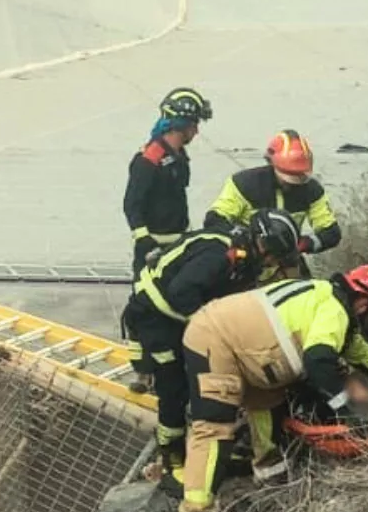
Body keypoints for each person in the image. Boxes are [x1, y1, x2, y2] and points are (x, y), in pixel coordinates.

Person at [173, 265, 368, 512]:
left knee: (267, 404)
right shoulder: (335, 310)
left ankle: (270, 475)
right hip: (215, 338)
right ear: (363, 304)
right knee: (214, 427)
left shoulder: (331, 306)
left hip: (243, 345)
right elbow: (318, 360)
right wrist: (346, 410)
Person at [120, 210, 306, 494]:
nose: (271, 265)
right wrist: (215, 330)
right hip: (156, 316)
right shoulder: (218, 256)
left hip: (183, 314)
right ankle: (173, 461)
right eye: (272, 257)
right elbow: (181, 292)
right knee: (174, 388)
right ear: (263, 245)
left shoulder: (246, 260)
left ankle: (215, 446)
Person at [203, 129, 341, 280]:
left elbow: (331, 232)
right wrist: (244, 240)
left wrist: (303, 244)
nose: (292, 184)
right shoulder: (243, 184)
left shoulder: (312, 191)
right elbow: (214, 220)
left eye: (299, 178)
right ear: (272, 164)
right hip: (248, 262)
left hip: (288, 262)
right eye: (288, 178)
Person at [124, 87, 213, 278]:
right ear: (180, 124)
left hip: (178, 243)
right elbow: (132, 204)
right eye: (193, 124)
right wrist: (144, 239)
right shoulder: (149, 160)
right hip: (154, 248)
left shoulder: (179, 155)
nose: (196, 131)